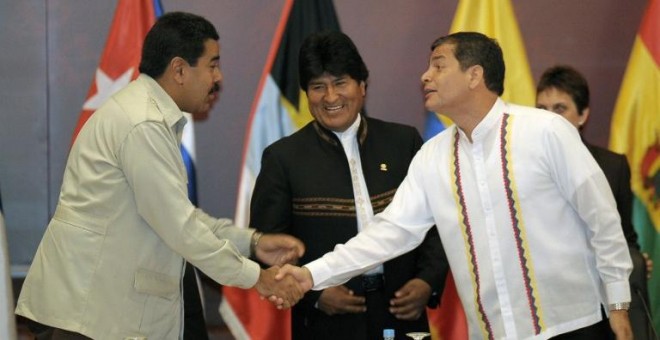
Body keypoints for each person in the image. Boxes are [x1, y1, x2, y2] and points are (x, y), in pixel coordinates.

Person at [277, 32, 634, 339]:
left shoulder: (545, 131)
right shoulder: (433, 156)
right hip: (491, 331)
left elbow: (601, 218)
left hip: (574, 325)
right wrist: (311, 275)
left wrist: (618, 305)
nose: (424, 76)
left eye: (438, 65)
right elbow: (390, 232)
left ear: (474, 75)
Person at [15, 12, 304, 340]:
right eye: (212, 65)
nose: (218, 77)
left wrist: (252, 243)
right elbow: (180, 228)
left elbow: (177, 217)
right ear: (179, 69)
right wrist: (257, 278)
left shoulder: (148, 116)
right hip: (90, 318)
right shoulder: (144, 124)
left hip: (101, 313)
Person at [250, 31, 449, 340]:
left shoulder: (403, 142)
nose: (331, 97)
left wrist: (427, 281)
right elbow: (264, 246)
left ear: (362, 87)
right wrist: (314, 294)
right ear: (306, 94)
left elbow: (438, 220)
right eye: (318, 87)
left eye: (341, 83)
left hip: (402, 314)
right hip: (325, 325)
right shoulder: (283, 157)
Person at [536, 65, 653, 339]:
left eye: (559, 109)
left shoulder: (612, 166)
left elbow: (624, 234)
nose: (549, 118)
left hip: (600, 300)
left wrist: (633, 259)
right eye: (541, 109)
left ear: (583, 115)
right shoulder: (524, 167)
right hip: (547, 303)